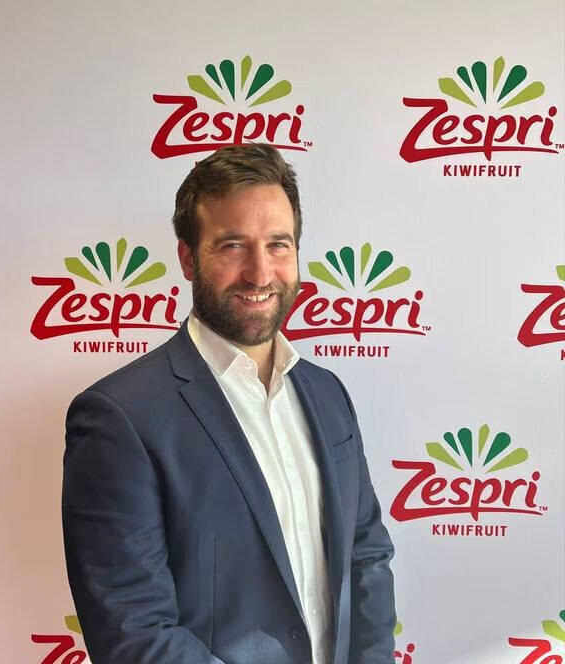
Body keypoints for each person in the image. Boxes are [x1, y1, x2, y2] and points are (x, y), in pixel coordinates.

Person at [62, 144, 396, 664]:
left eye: (279, 245)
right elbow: (135, 631)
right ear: (188, 257)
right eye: (233, 245)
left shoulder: (328, 394)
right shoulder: (118, 417)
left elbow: (366, 553)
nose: (260, 273)